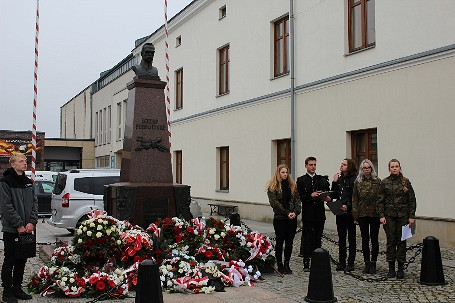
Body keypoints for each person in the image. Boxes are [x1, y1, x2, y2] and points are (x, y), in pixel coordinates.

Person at [0, 153, 38, 302]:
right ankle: (7, 291)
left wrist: (31, 222)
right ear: (13, 164)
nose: (25, 163)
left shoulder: (28, 182)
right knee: (10, 259)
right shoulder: (5, 182)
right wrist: (18, 224)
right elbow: (6, 206)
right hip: (12, 229)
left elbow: (35, 203)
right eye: (21, 161)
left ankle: (17, 288)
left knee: (22, 259)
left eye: (25, 161)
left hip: (27, 229)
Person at [377, 159, 416, 279]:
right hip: (389, 217)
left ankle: (400, 268)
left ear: (400, 168)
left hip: (404, 217)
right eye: (392, 166)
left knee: (402, 242)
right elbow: (380, 200)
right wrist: (381, 216)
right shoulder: (385, 182)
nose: (394, 168)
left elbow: (412, 200)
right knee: (391, 242)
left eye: (396, 166)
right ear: (389, 169)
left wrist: (411, 216)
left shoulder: (406, 182)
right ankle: (391, 268)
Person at [297, 157, 331, 271]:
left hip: (319, 213)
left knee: (317, 238)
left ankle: (317, 261)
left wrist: (325, 196)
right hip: (308, 213)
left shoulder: (321, 179)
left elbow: (328, 192)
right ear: (306, 165)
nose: (313, 167)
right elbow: (300, 197)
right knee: (307, 238)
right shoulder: (301, 180)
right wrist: (310, 196)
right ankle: (306, 262)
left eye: (314, 165)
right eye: (311, 164)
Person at [266, 164, 301, 274]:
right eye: (283, 172)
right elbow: (275, 204)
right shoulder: (273, 187)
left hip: (291, 219)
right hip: (280, 218)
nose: (285, 174)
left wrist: (295, 212)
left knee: (289, 241)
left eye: (286, 172)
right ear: (278, 173)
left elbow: (297, 201)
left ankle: (287, 263)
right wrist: (287, 213)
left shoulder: (292, 186)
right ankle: (280, 263)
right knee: (280, 241)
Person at [352, 159, 381, 274]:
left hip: (374, 214)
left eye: (368, 168)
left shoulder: (378, 182)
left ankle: (373, 262)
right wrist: (355, 215)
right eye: (364, 168)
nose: (367, 170)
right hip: (362, 214)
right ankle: (366, 262)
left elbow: (380, 199)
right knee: (364, 239)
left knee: (374, 239)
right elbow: (355, 199)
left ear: (372, 169)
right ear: (362, 169)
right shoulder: (358, 182)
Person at [331, 158, 358, 272]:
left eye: (344, 164)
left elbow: (355, 196)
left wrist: (348, 206)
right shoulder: (340, 179)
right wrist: (334, 182)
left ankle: (350, 262)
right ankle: (342, 261)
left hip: (350, 212)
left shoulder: (354, 180)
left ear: (349, 167)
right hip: (340, 212)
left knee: (351, 238)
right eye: (341, 164)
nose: (341, 166)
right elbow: (334, 194)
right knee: (341, 238)